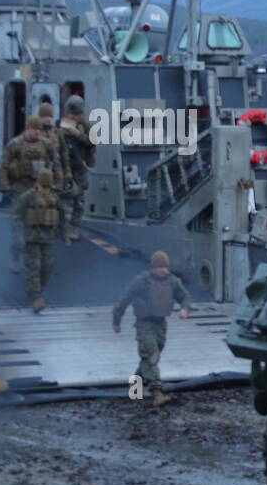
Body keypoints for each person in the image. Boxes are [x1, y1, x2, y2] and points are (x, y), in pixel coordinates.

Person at [112, 251, 191, 408]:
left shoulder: (172, 281)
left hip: (161, 324)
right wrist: (117, 321)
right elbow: (124, 300)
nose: (164, 270)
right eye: (160, 267)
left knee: (149, 358)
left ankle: (134, 390)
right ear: (153, 267)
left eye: (165, 267)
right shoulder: (141, 282)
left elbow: (184, 296)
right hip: (144, 324)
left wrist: (184, 309)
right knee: (151, 355)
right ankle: (157, 393)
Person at [0, 116, 66, 272]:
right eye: (35, 129)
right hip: (20, 189)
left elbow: (57, 164)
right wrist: (5, 187)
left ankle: (38, 260)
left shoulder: (46, 144)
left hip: (39, 189)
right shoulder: (15, 145)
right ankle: (16, 256)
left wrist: (59, 183)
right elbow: (4, 166)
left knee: (42, 222)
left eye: (39, 129)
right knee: (19, 226)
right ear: (28, 128)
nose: (37, 132)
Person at [13, 167, 63, 312]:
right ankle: (36, 298)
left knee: (47, 267)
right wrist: (19, 236)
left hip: (49, 238)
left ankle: (36, 290)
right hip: (32, 237)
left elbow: (61, 215)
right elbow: (16, 216)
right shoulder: (28, 196)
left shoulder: (54, 197)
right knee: (34, 268)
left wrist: (64, 234)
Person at [57, 95, 95, 244]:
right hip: (64, 166)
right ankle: (61, 226)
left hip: (78, 166)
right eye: (71, 113)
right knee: (60, 197)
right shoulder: (63, 124)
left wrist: (79, 136)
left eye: (75, 113)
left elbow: (93, 141)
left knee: (79, 200)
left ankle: (74, 227)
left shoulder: (86, 125)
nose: (72, 116)